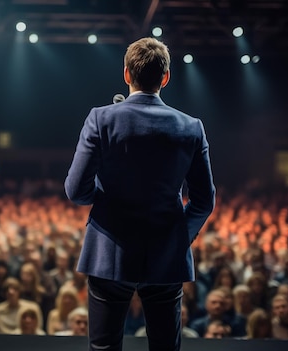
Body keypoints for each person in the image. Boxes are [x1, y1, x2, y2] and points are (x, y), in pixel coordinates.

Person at [64, 37, 215, 351]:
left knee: (104, 347)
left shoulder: (101, 119)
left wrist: (104, 198)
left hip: (109, 251)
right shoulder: (191, 127)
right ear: (166, 77)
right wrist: (178, 236)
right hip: (165, 254)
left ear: (126, 74)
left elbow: (76, 190)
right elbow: (204, 200)